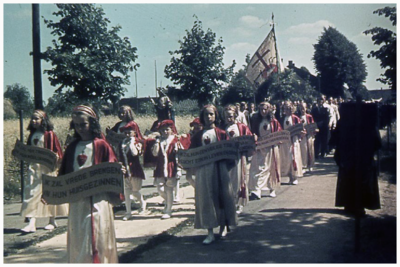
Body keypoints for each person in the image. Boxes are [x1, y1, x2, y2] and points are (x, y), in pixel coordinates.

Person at [59, 105, 121, 263]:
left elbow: (112, 169)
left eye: (83, 124)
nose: (80, 128)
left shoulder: (101, 145)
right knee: (80, 240)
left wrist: (119, 172)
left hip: (98, 199)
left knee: (97, 238)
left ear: (92, 123)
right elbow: (64, 175)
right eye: (77, 125)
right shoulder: (72, 147)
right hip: (78, 201)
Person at [189, 104, 237, 245]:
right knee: (207, 199)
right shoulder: (198, 136)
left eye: (211, 114)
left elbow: (229, 151)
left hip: (219, 169)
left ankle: (223, 227)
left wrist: (226, 165)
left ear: (216, 116)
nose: (209, 117)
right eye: (206, 115)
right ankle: (209, 231)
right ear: (202, 117)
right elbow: (192, 153)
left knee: (222, 197)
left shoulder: (221, 133)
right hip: (204, 171)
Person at [20, 110, 68, 233]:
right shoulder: (32, 135)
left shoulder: (50, 134)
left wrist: (56, 159)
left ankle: (52, 220)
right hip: (34, 168)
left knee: (49, 193)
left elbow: (57, 151)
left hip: (47, 168)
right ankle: (32, 222)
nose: (34, 121)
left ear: (43, 120)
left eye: (37, 119)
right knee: (32, 193)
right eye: (32, 119)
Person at [334, 101, 381, 216]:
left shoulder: (344, 123)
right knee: (361, 181)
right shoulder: (369, 124)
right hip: (363, 159)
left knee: (349, 180)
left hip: (349, 159)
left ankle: (350, 204)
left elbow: (335, 139)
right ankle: (359, 205)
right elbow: (377, 143)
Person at [222, 105, 253, 214]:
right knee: (229, 180)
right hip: (227, 158)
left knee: (240, 179)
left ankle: (239, 203)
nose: (228, 119)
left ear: (235, 115)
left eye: (230, 116)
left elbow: (249, 139)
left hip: (239, 157)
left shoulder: (241, 127)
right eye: (226, 116)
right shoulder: (223, 129)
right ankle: (230, 202)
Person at [249, 102, 282, 199]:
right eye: (261, 109)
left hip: (271, 148)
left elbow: (279, 132)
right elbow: (253, 132)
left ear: (269, 110)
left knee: (271, 168)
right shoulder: (256, 121)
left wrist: (278, 140)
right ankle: (256, 190)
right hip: (260, 148)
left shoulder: (274, 121)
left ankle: (272, 188)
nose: (263, 111)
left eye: (265, 109)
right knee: (258, 168)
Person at [151, 119, 181, 219]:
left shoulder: (175, 140)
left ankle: (168, 209)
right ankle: (168, 202)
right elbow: (154, 154)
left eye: (167, 129)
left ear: (171, 129)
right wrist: (156, 143)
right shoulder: (160, 141)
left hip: (171, 166)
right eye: (163, 130)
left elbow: (179, 155)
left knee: (169, 188)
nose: (165, 132)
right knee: (160, 188)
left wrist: (179, 169)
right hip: (160, 166)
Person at [119, 121, 148, 220]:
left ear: (134, 132)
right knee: (126, 192)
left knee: (135, 191)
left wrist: (132, 142)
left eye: (129, 132)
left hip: (135, 169)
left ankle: (142, 203)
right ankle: (128, 212)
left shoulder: (138, 142)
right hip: (125, 170)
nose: (127, 134)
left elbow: (135, 153)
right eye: (125, 133)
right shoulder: (122, 143)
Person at [279, 101, 304, 185]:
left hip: (294, 140)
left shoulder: (295, 118)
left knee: (293, 156)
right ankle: (289, 176)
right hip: (285, 141)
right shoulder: (282, 118)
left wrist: (299, 135)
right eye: (285, 108)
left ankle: (294, 176)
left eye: (288, 108)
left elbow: (301, 129)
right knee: (287, 158)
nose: (287, 110)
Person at [179, 117, 203, 188]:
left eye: (198, 127)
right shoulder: (190, 135)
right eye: (194, 127)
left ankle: (200, 191)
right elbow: (185, 143)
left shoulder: (204, 135)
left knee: (200, 178)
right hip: (192, 159)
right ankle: (198, 189)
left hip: (202, 159)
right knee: (188, 177)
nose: (195, 129)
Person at [299, 103, 316, 173]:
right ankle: (304, 165)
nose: (302, 110)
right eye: (300, 108)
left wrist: (311, 131)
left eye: (303, 108)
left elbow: (313, 126)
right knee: (303, 150)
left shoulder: (309, 116)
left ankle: (310, 165)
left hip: (309, 135)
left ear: (306, 108)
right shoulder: (298, 117)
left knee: (310, 150)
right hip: (302, 136)